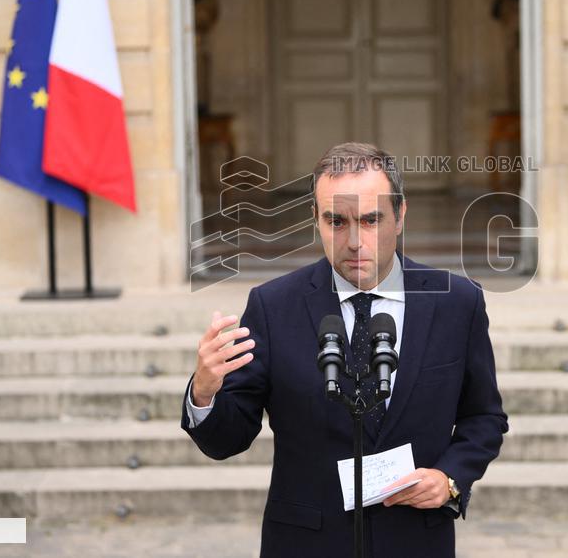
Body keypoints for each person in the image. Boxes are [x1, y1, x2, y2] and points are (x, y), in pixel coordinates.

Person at [181, 142, 509, 558]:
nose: (354, 241)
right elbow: (227, 440)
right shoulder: (272, 306)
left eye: (371, 220)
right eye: (336, 221)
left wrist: (450, 478)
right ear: (315, 219)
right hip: (305, 543)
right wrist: (205, 393)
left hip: (415, 541)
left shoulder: (457, 303)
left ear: (401, 215)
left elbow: (484, 417)